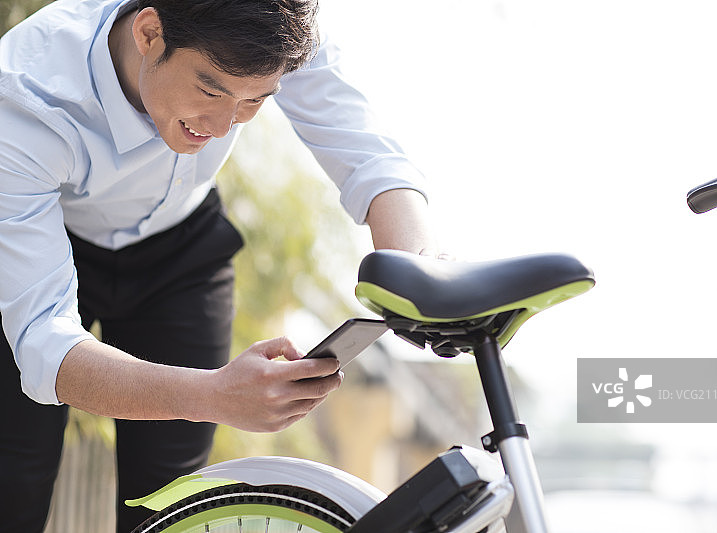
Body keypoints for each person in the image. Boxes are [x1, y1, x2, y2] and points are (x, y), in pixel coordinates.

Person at [0, 0, 438, 530]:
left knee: (172, 496)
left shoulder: (277, 31)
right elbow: (46, 346)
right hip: (43, 247)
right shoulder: (23, 96)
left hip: (182, 250)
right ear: (149, 32)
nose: (224, 125)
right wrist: (212, 395)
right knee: (13, 477)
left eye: (255, 101)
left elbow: (366, 151)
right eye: (210, 90)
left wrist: (418, 271)